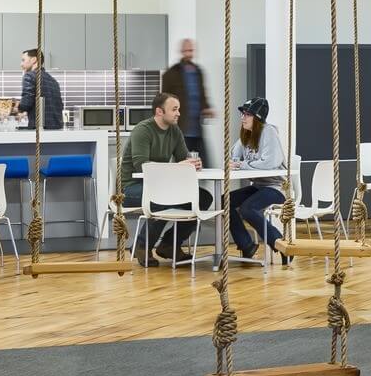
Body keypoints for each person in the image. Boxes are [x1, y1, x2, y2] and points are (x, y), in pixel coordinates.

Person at [120, 92, 212, 265]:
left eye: (179, 109)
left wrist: (193, 163)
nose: (178, 113)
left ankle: (169, 245)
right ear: (159, 112)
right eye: (174, 109)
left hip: (160, 186)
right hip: (131, 188)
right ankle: (142, 245)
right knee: (165, 198)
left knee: (203, 197)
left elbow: (183, 158)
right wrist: (180, 166)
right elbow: (141, 166)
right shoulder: (142, 130)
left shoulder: (174, 131)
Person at [228, 97, 290, 262]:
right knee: (224, 202)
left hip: (277, 187)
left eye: (247, 114)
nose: (243, 117)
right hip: (259, 186)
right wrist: (237, 162)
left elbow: (270, 162)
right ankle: (246, 245)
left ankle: (281, 246)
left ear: (257, 118)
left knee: (248, 209)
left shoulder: (268, 131)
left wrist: (242, 164)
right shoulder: (247, 133)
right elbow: (234, 157)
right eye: (242, 114)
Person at [160, 39, 214, 166]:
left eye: (191, 50)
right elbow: (164, 100)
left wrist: (207, 108)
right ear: (182, 51)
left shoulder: (198, 72)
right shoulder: (171, 73)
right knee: (183, 165)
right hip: (181, 129)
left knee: (205, 165)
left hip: (197, 129)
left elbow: (202, 95)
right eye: (186, 51)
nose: (189, 54)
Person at [16, 49, 63, 130]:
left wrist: (18, 107)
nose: (21, 64)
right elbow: (58, 106)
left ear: (34, 60)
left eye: (23, 60)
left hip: (40, 129)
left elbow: (26, 103)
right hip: (56, 129)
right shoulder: (53, 80)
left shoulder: (30, 76)